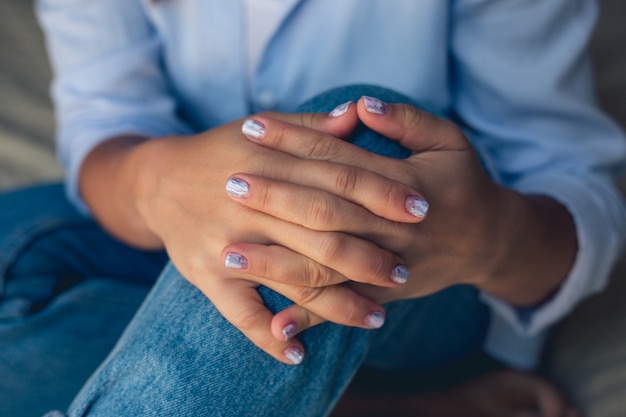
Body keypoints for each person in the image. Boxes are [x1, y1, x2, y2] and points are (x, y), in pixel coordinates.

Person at [1, 0, 624, 416]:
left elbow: (571, 180)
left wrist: (493, 236)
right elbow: (107, 121)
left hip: (412, 276)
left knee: (356, 144)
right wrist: (156, 178)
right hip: (174, 247)